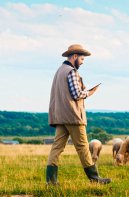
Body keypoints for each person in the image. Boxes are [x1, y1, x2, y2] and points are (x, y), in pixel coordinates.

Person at [46, 44, 111, 185]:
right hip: (73, 116)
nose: (82, 62)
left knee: (56, 148)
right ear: (74, 56)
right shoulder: (71, 72)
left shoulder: (59, 71)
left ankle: (51, 182)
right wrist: (90, 92)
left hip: (60, 116)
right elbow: (76, 94)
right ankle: (95, 179)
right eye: (82, 59)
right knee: (83, 147)